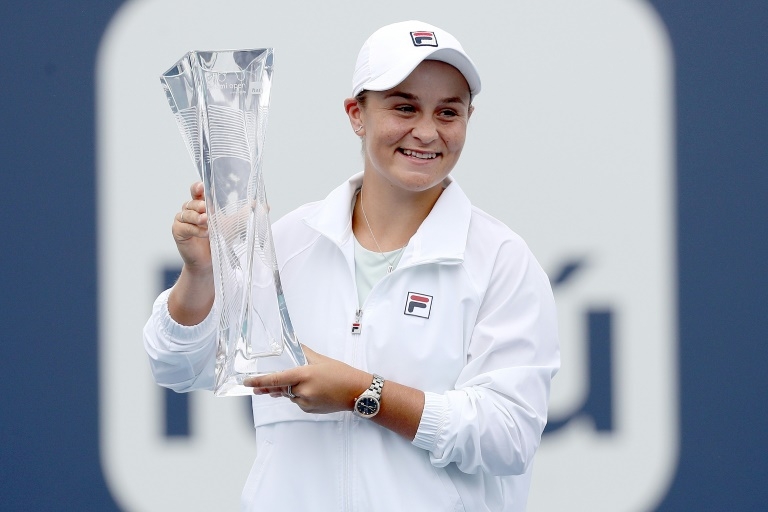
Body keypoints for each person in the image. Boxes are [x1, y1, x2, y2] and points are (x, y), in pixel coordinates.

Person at [144, 20, 559, 512]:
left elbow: (508, 435)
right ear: (356, 115)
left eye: (448, 112)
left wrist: (363, 393)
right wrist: (200, 274)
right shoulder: (288, 243)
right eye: (404, 107)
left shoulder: (501, 260)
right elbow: (177, 367)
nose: (427, 132)